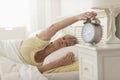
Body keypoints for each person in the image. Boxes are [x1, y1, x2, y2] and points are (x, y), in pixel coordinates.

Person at [20, 11, 97, 73]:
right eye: (63, 38)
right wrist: (77, 17)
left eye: (66, 45)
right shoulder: (36, 44)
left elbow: (34, 72)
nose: (62, 41)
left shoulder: (48, 61)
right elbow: (53, 28)